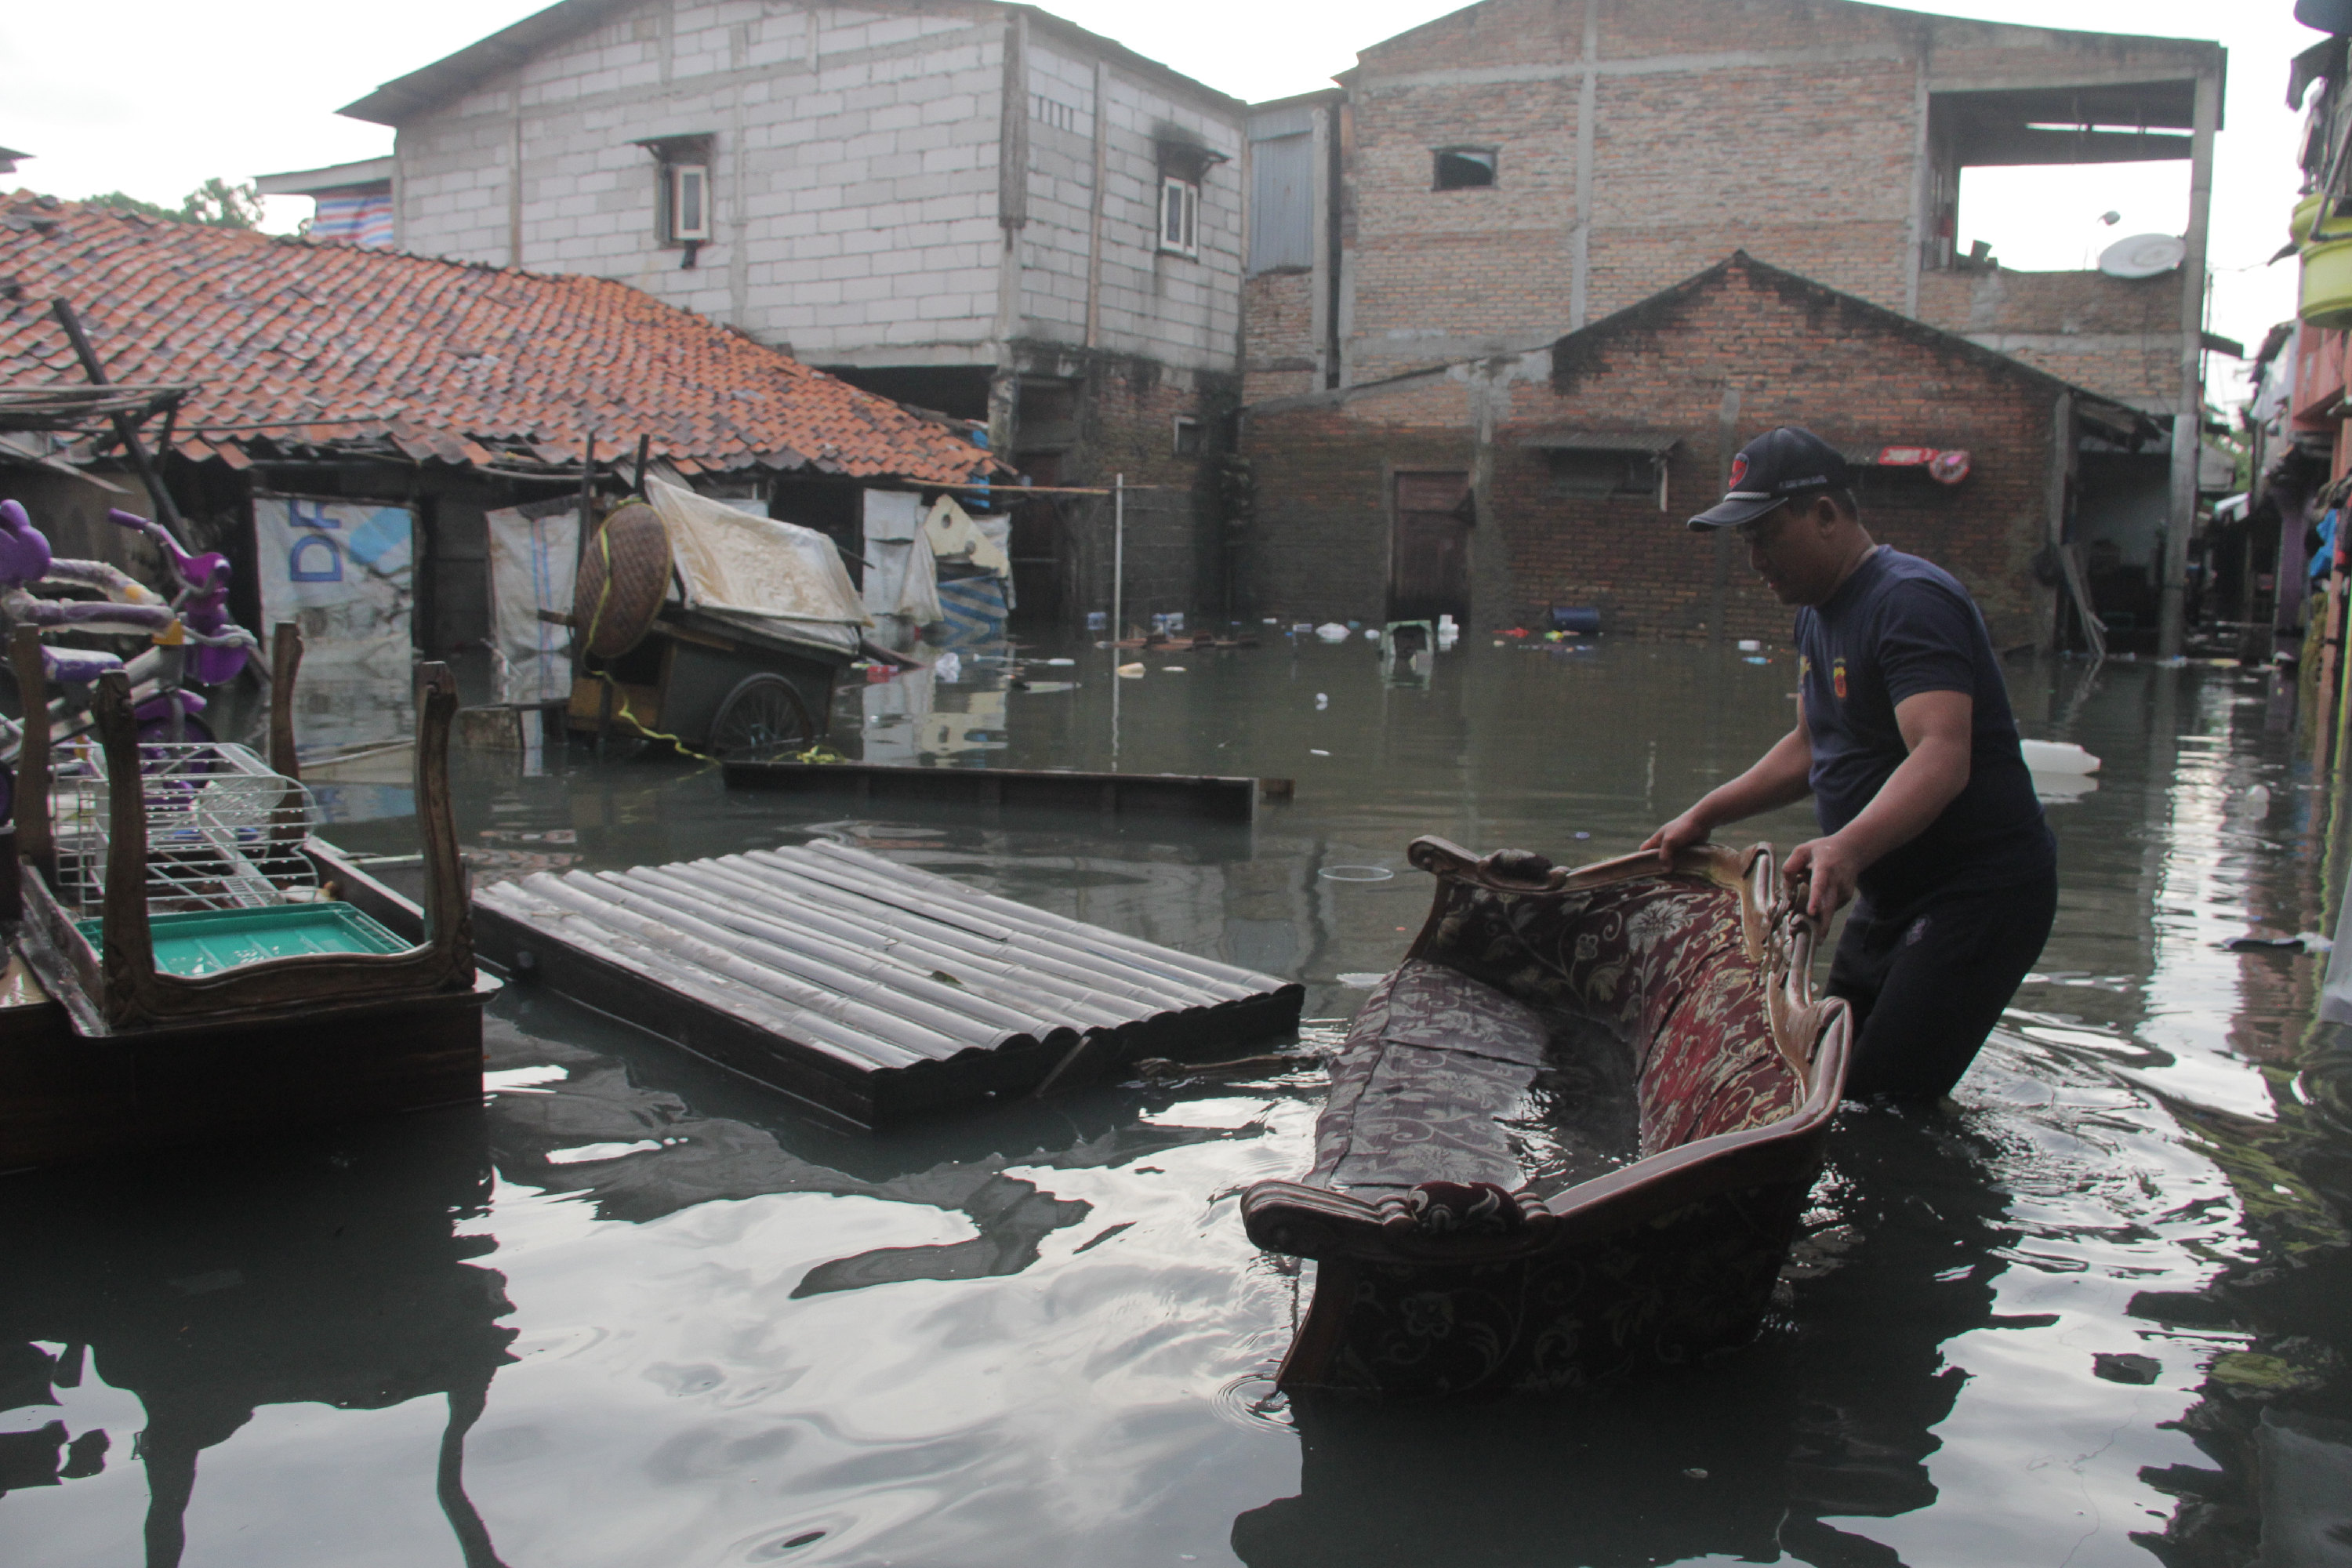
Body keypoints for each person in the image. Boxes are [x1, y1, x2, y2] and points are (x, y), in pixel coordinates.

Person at [1642, 426, 2057, 1102]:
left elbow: (1942, 755)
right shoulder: (1817, 614)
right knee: (1826, 1080)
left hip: (1978, 894)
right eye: (1745, 540)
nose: (1753, 560)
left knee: (1883, 1099)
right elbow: (1812, 745)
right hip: (1890, 892)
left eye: (1765, 534)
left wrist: (1846, 845)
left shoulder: (1908, 601)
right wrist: (1705, 813)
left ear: (1827, 516)